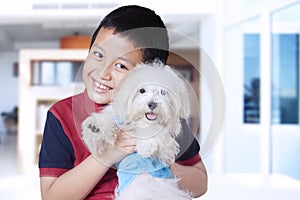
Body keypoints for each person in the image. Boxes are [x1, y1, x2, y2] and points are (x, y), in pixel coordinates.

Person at [39, 5, 207, 200]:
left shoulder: (165, 114)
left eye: (121, 66)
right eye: (98, 55)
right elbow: (52, 196)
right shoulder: (62, 114)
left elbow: (201, 184)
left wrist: (163, 161)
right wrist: (109, 154)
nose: (103, 73)